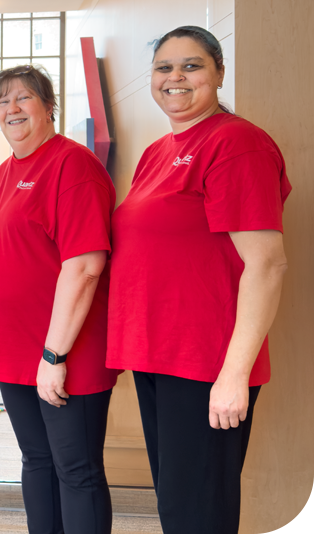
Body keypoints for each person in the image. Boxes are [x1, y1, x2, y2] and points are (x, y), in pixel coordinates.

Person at [107, 26, 291, 534]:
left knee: (198, 514)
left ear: (218, 73)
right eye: (164, 67)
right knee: (178, 505)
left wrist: (233, 375)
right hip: (158, 354)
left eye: (192, 66)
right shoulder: (158, 151)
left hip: (205, 363)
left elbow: (267, 264)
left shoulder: (236, 143)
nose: (175, 77)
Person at [0, 64, 120, 534]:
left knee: (76, 471)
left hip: (62, 351)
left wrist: (54, 354)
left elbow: (85, 266)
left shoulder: (72, 166)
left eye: (24, 98)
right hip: (13, 351)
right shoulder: (4, 173)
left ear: (49, 106)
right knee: (37, 460)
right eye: (2, 101)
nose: (11, 109)